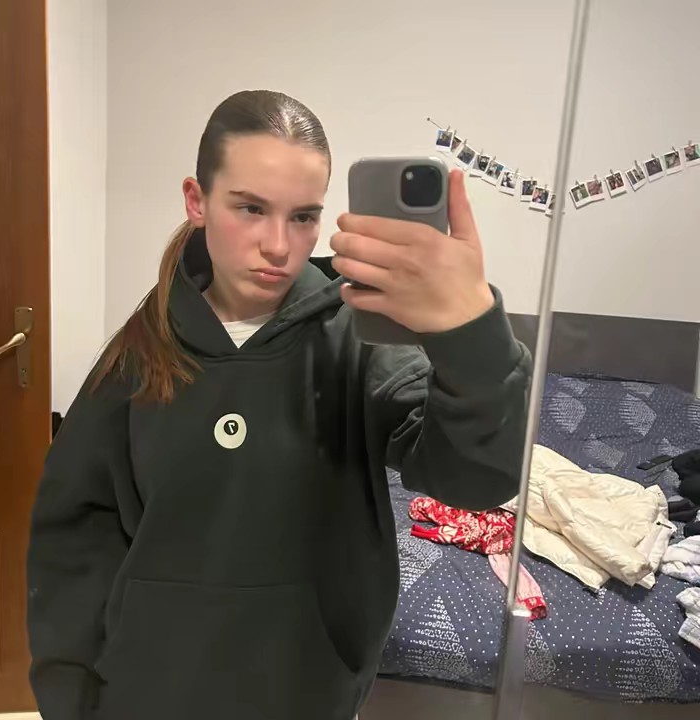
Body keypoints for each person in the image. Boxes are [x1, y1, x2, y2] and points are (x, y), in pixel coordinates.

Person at [27, 89, 531, 720]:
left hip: (306, 693)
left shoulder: (360, 341)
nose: (278, 245)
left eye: (303, 217)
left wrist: (472, 333)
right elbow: (74, 538)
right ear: (197, 200)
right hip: (146, 694)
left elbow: (478, 478)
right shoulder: (142, 349)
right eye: (251, 208)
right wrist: (71, 698)